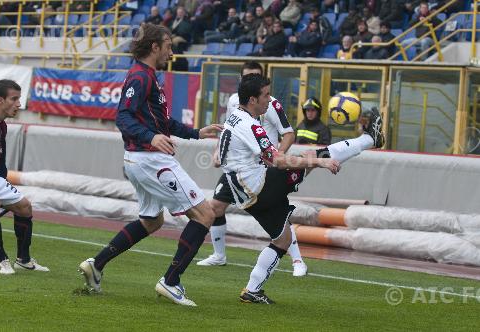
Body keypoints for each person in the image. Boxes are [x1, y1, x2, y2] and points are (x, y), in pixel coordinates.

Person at [78, 23, 222, 307]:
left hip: (140, 160)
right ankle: (171, 281)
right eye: (168, 45)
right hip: (150, 160)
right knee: (205, 214)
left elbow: (162, 123)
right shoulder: (140, 77)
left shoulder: (149, 77)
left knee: (152, 220)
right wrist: (152, 137)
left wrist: (196, 133)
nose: (172, 51)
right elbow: (123, 118)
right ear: (155, 47)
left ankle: (97, 264)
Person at [221, 74, 384, 303]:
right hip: (259, 187)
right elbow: (277, 160)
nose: (269, 100)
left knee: (283, 239)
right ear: (252, 100)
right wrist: (319, 163)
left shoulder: (235, 117)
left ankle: (252, 291)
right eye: (266, 95)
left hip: (245, 191)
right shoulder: (251, 125)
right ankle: (370, 139)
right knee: (315, 156)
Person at [197, 61, 309, 277]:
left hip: (264, 167)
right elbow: (228, 130)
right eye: (248, 77)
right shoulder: (235, 103)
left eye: (256, 76)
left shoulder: (272, 104)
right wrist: (218, 151)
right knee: (216, 207)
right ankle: (219, 255)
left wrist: (277, 156)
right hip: (240, 169)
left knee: (279, 212)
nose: (252, 80)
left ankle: (297, 260)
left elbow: (288, 133)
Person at [0, 79, 49, 274]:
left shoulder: (1, 125)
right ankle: (2, 261)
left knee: (24, 206)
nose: (19, 104)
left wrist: (2, 184)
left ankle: (24, 260)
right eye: (15, 99)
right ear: (0, 100)